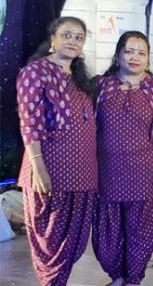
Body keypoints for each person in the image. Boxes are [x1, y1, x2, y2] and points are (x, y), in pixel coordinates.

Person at [92, 31, 153, 286]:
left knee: (140, 232)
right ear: (118, 54)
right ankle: (117, 276)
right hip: (106, 174)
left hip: (145, 175)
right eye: (129, 51)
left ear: (148, 58)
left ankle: (133, 280)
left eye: (141, 52)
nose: (135, 57)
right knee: (107, 233)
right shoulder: (101, 85)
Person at [16, 16, 97, 286]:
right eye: (67, 35)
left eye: (79, 37)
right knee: (49, 242)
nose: (73, 41)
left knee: (72, 243)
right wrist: (38, 167)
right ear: (52, 40)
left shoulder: (80, 80)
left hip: (82, 176)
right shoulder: (34, 73)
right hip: (48, 172)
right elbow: (29, 122)